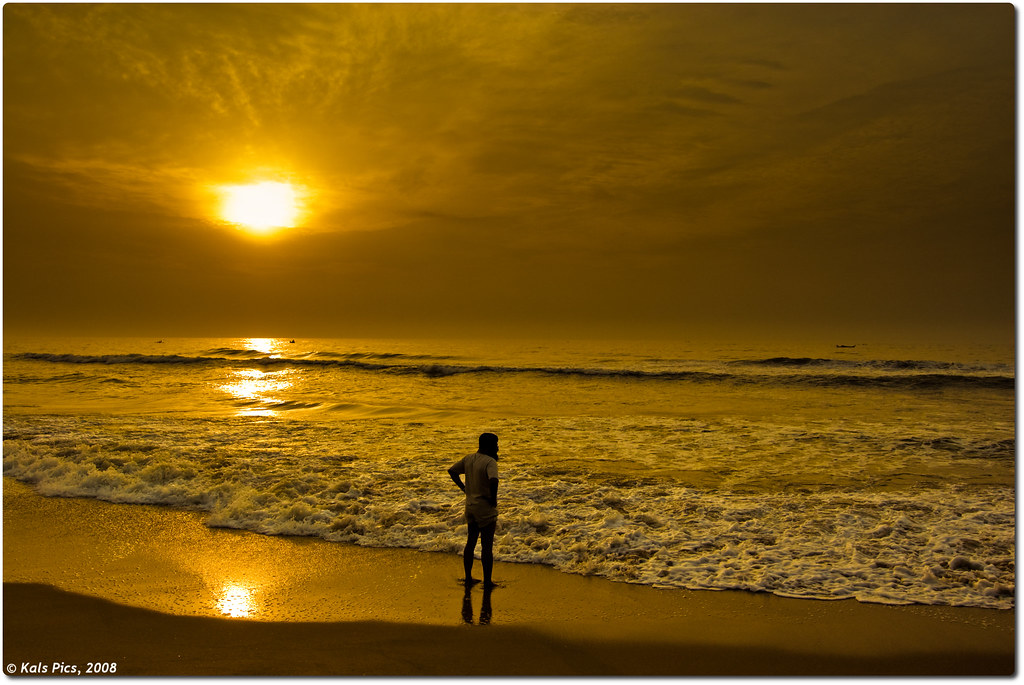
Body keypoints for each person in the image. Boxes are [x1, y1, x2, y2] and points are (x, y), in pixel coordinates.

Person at [448, 432, 500, 587]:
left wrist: (464, 488)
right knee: (487, 546)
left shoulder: (469, 459)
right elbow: (494, 480)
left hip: (470, 506)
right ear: (489, 446)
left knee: (470, 542)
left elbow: (452, 471)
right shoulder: (490, 462)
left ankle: (469, 578)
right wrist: (493, 498)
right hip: (484, 507)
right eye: (496, 444)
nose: (497, 447)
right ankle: (487, 581)